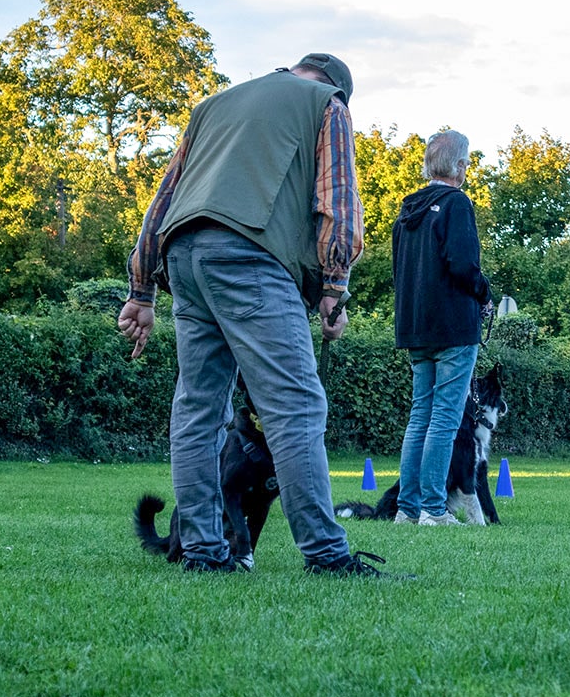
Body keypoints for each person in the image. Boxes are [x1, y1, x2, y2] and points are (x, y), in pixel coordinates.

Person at [117, 53, 387, 576]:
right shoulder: (326, 104)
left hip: (185, 256)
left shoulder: (214, 105)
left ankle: (203, 552)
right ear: (336, 88)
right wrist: (334, 284)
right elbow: (338, 200)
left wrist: (141, 290)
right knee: (296, 405)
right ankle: (327, 556)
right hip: (250, 255)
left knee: (198, 410)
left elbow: (163, 199)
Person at [391, 130, 492, 526]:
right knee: (445, 420)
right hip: (452, 326)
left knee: (420, 417)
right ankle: (434, 509)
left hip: (416, 326)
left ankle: (407, 508)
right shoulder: (456, 204)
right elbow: (463, 265)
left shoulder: (407, 210)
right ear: (461, 167)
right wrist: (484, 294)